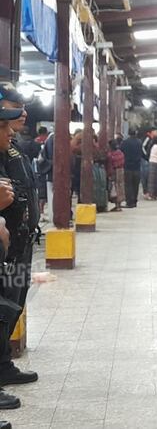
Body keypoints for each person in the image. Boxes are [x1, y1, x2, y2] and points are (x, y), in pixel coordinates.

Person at [0, 98, 37, 411]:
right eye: (4, 123)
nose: (22, 114)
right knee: (4, 307)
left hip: (18, 241)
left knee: (13, 304)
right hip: (7, 246)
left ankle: (3, 364)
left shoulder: (13, 148)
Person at [120, 131, 143, 207]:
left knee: (128, 185)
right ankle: (134, 201)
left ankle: (129, 202)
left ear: (129, 134)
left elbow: (121, 151)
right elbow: (142, 153)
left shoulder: (125, 142)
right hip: (137, 166)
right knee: (135, 185)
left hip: (127, 166)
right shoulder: (139, 142)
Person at [107, 139, 125, 211]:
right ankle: (119, 204)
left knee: (114, 187)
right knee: (120, 187)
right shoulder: (120, 153)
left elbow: (110, 164)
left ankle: (116, 204)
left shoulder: (110, 155)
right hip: (121, 170)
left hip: (114, 171)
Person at [141, 128, 157, 199]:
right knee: (145, 175)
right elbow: (143, 146)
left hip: (148, 159)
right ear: (152, 132)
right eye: (156, 131)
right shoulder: (148, 138)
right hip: (145, 159)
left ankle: (148, 192)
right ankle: (146, 192)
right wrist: (146, 155)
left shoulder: (152, 139)